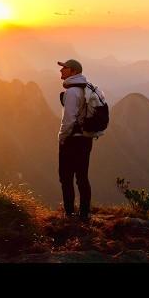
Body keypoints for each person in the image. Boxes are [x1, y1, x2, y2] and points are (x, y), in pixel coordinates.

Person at [57, 59, 93, 221]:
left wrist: (62, 137)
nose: (61, 71)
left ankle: (69, 213)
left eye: (64, 68)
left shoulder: (72, 92)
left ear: (73, 72)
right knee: (82, 177)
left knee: (66, 176)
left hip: (72, 141)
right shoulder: (85, 89)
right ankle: (84, 213)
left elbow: (69, 120)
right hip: (86, 140)